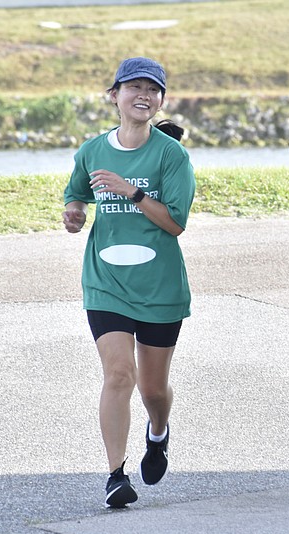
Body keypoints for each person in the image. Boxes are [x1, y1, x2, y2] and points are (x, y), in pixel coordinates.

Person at [62, 56, 195, 508]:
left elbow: (175, 224)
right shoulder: (92, 149)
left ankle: (157, 432)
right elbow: (77, 191)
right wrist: (75, 213)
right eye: (134, 87)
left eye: (153, 89)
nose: (144, 95)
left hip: (159, 285)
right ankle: (115, 475)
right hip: (105, 280)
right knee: (119, 374)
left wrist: (131, 192)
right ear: (114, 95)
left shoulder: (171, 155)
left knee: (152, 389)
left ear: (161, 100)